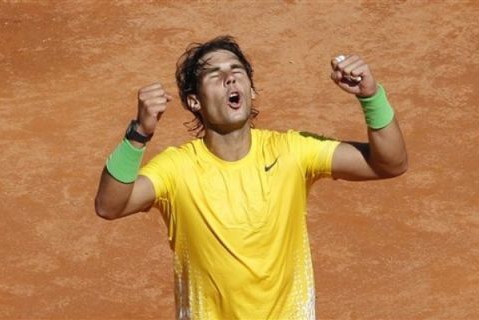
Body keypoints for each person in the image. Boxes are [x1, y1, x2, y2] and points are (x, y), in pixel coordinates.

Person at [95, 35, 407, 319]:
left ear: (251, 90)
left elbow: (389, 164)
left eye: (236, 70)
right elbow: (110, 206)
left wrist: (370, 97)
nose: (228, 76)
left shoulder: (291, 152)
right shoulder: (177, 170)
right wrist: (139, 134)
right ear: (194, 101)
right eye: (214, 74)